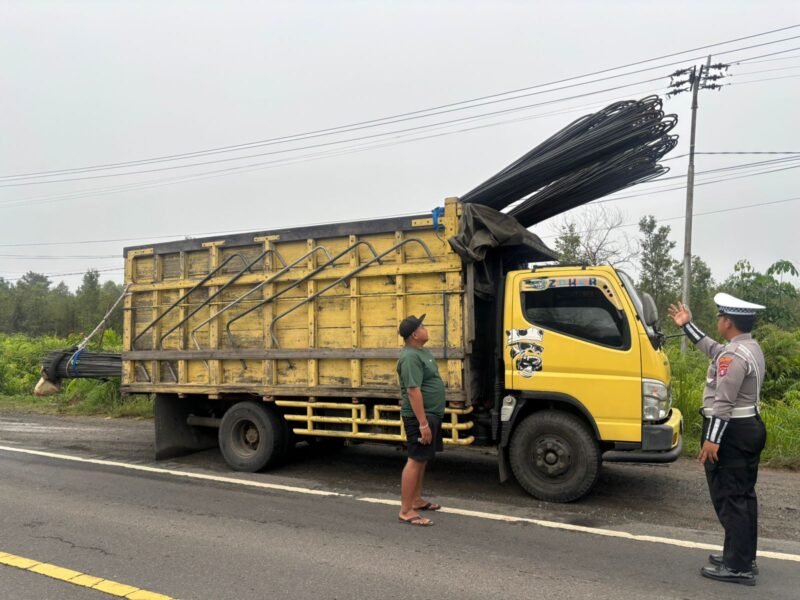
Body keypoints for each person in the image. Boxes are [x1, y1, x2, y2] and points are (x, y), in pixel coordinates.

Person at [668, 293, 767, 586]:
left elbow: (724, 402)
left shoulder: (734, 357)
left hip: (731, 432)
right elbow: (713, 350)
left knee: (730, 497)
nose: (718, 321)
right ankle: (742, 556)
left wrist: (712, 440)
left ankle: (738, 568)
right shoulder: (748, 347)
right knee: (743, 496)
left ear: (728, 322)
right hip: (746, 428)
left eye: (720, 317)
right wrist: (688, 325)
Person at [396, 313, 446, 526]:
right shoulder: (409, 357)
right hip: (420, 417)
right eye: (422, 326)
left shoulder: (422, 352)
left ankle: (416, 500)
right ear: (415, 334)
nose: (426, 328)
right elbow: (413, 391)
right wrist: (423, 423)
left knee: (423, 459)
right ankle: (406, 510)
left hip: (431, 414)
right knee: (415, 459)